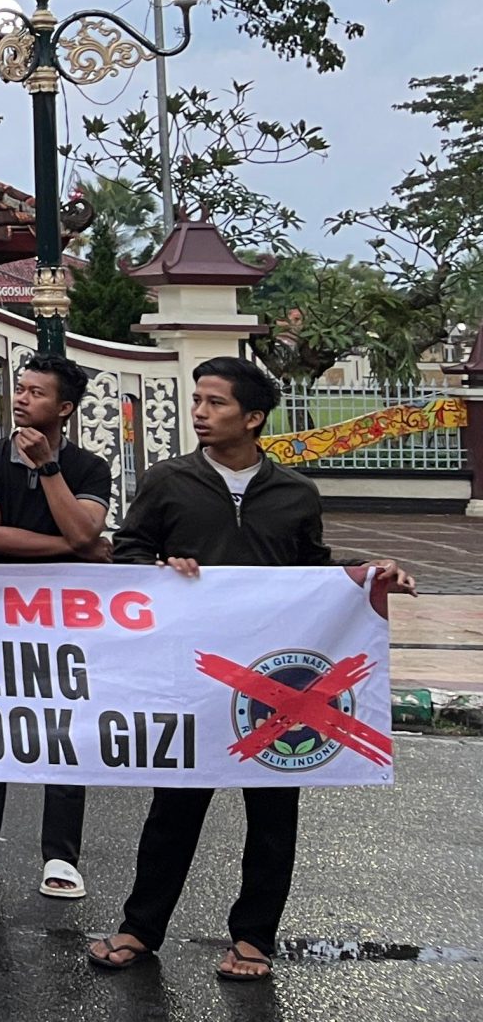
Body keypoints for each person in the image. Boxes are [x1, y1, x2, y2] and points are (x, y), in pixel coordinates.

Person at [89, 359, 415, 983]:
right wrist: (161, 569)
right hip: (192, 678)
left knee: (272, 815)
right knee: (173, 811)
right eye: (198, 400)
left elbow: (311, 569)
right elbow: (127, 555)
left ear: (253, 417)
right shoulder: (168, 481)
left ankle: (253, 938)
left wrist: (371, 575)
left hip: (275, 682)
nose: (200, 413)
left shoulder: (296, 493)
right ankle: (139, 928)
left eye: (215, 403)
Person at [0, 351, 111, 901]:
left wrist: (50, 469)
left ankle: (61, 856)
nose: (22, 399)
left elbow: (87, 527)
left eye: (36, 392)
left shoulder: (88, 467)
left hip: (65, 613)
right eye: (21, 388)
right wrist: (74, 547)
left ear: (65, 408)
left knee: (65, 728)